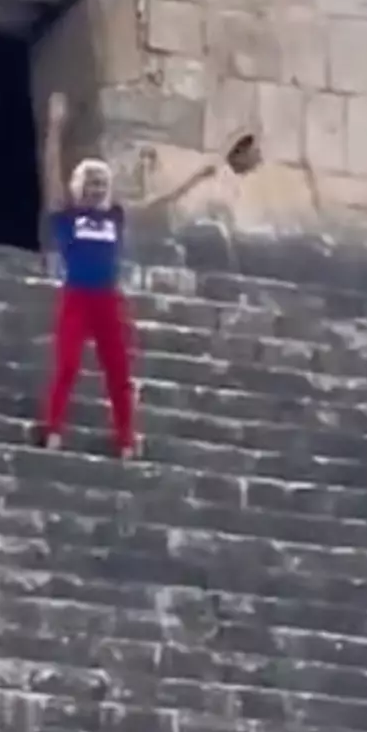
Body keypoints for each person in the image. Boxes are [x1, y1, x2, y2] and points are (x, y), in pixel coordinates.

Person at [33, 91, 222, 458]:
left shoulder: (114, 217)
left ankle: (125, 439)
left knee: (119, 372)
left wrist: (196, 179)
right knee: (68, 364)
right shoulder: (66, 216)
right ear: (79, 187)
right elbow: (51, 171)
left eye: (101, 184)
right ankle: (54, 428)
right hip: (76, 297)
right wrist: (55, 128)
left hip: (108, 300)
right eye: (90, 183)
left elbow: (159, 204)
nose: (97, 189)